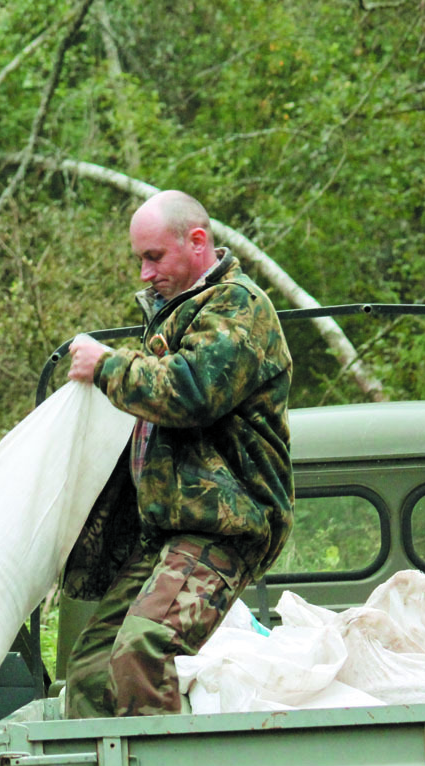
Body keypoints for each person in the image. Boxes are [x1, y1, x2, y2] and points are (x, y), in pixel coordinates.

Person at [62, 190, 294, 718]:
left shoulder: (240, 306)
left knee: (142, 653)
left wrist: (107, 366)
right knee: (92, 671)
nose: (144, 273)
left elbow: (191, 391)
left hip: (223, 526)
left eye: (153, 257)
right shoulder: (176, 316)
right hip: (166, 532)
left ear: (197, 242)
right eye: (139, 259)